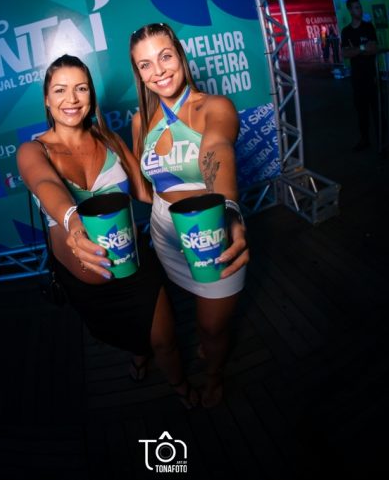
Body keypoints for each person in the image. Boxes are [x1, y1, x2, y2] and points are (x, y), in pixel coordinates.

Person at [17, 54, 198, 409]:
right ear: (47, 99)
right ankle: (139, 355)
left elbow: (146, 193)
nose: (72, 99)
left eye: (81, 88)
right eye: (60, 90)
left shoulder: (110, 140)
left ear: (91, 95)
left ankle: (180, 387)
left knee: (165, 339)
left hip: (135, 267)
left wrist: (197, 193)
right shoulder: (32, 150)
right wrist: (73, 222)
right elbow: (45, 184)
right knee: (126, 337)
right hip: (86, 286)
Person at [128, 22, 250, 408]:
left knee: (211, 327)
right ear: (138, 73)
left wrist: (229, 211)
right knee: (191, 304)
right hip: (163, 227)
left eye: (165, 56)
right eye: (145, 64)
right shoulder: (140, 121)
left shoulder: (215, 107)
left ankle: (214, 375)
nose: (158, 71)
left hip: (210, 226)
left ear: (180, 56)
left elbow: (218, 151)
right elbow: (145, 188)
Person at [340, 0, 378, 151]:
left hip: (372, 75)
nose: (360, 10)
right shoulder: (346, 31)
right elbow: (345, 54)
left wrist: (354, 49)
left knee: (377, 109)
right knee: (361, 111)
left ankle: (382, 139)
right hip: (357, 78)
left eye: (360, 7)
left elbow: (373, 49)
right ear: (350, 10)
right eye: (356, 8)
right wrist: (362, 48)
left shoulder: (368, 27)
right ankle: (365, 139)